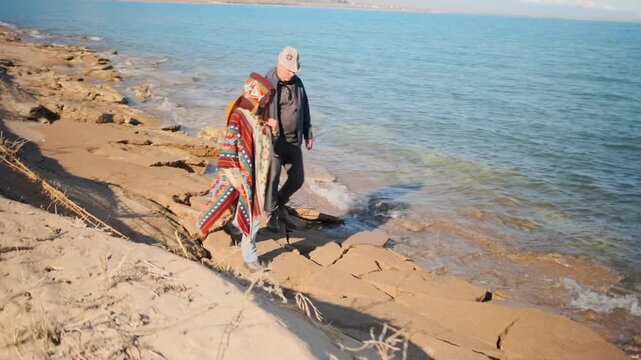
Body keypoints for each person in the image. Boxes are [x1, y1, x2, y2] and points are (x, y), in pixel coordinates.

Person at [197, 73, 276, 272]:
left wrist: (271, 131)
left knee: (248, 211)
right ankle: (247, 257)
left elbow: (263, 146)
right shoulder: (238, 116)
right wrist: (238, 177)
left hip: (257, 175)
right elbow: (229, 147)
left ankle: (245, 248)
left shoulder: (259, 117)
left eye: (269, 97)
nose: (268, 101)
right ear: (255, 95)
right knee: (239, 209)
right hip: (240, 173)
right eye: (265, 96)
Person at [265, 46, 313, 232]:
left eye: (294, 70)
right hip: (273, 142)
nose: (292, 73)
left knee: (297, 179)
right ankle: (272, 213)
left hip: (294, 141)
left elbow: (305, 109)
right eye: (289, 69)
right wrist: (265, 120)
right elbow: (249, 108)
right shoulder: (266, 82)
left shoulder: (298, 83)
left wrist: (308, 133)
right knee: (273, 178)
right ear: (279, 64)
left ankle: (277, 203)